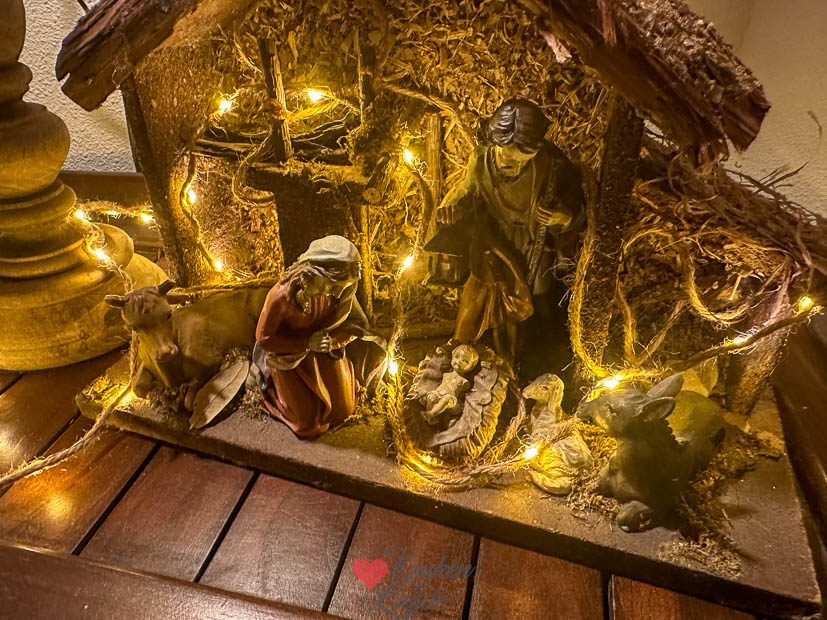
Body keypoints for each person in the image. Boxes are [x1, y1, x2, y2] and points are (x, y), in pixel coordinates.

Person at [427, 99, 584, 360]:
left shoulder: (551, 165)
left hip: (535, 247)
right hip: (496, 242)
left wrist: (563, 218)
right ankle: (485, 355)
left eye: (523, 161)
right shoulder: (481, 160)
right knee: (484, 295)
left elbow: (576, 204)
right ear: (494, 143)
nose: (515, 165)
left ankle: (536, 360)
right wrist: (453, 208)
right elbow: (467, 192)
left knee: (540, 303)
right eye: (508, 157)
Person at [251, 235, 385, 438]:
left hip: (324, 351)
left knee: (343, 411)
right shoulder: (281, 298)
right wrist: (306, 343)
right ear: (313, 273)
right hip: (290, 356)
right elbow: (264, 339)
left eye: (344, 287)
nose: (338, 294)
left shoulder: (340, 293)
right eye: (333, 285)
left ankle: (342, 377)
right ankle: (271, 392)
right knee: (306, 424)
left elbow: (356, 326)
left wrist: (333, 341)